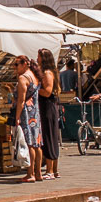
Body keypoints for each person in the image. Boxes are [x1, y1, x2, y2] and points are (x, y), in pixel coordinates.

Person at [13, 54, 44, 182]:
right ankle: (38, 173)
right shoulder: (34, 76)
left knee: (29, 143)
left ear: (24, 64)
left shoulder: (23, 78)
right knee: (37, 143)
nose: (14, 68)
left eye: (16, 64)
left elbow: (21, 100)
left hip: (26, 112)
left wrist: (17, 116)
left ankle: (30, 173)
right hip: (35, 112)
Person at [37, 49, 61, 179]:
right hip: (50, 106)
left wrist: (35, 89)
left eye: (39, 56)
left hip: (47, 107)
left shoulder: (47, 73)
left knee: (49, 137)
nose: (37, 58)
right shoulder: (53, 72)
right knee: (52, 137)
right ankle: (54, 170)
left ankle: (50, 170)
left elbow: (47, 91)